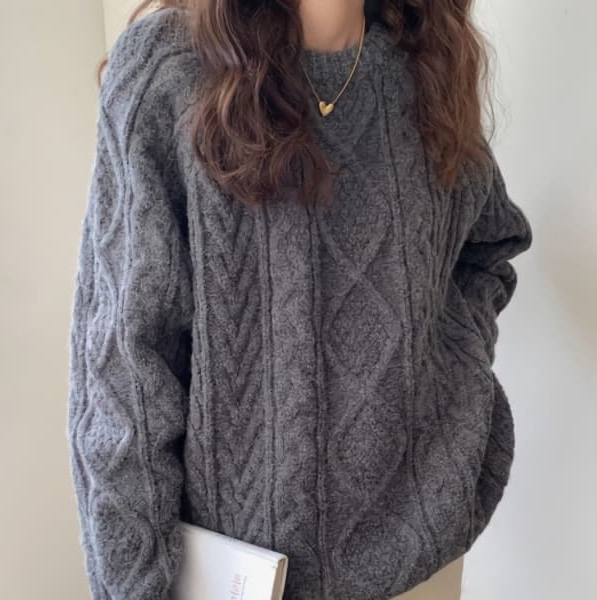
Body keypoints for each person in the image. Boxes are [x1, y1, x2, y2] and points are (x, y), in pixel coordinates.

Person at [66, 1, 533, 599]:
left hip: (428, 553)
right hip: (238, 577)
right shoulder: (171, 69)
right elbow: (123, 374)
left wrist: (457, 355)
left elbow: (486, 246)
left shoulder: (426, 61)